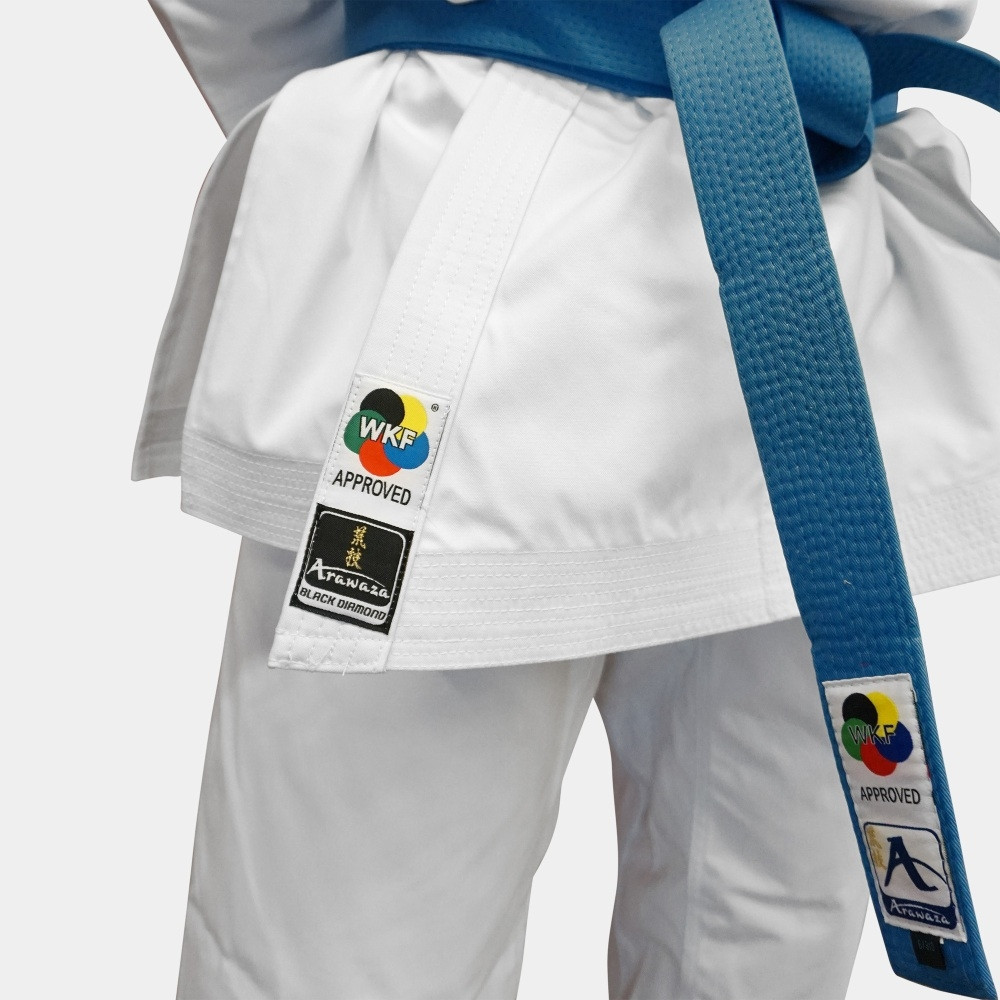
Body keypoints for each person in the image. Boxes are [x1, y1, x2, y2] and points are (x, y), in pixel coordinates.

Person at [136, 2, 999, 997]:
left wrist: (399, 83)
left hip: (719, 238)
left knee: (346, 943)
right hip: (798, 245)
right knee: (751, 936)